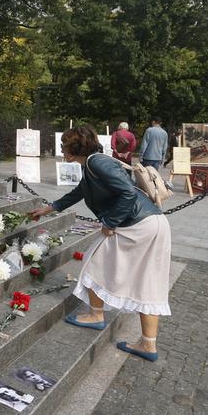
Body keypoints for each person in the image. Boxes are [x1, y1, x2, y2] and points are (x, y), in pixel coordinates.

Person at [30, 126, 171, 362]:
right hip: (152, 223)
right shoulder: (94, 164)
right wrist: (47, 209)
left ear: (75, 148)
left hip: (137, 225)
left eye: (64, 145)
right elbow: (79, 193)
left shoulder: (97, 163)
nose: (62, 149)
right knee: (149, 282)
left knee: (94, 261)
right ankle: (148, 344)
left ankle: (96, 315)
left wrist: (110, 222)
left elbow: (127, 192)